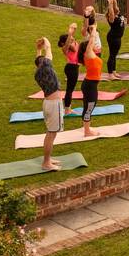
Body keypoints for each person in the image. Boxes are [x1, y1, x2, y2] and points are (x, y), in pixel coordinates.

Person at [34, 37, 62, 171]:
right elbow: (49, 51)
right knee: (51, 134)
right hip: (53, 104)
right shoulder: (46, 67)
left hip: (48, 102)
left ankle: (48, 159)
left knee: (51, 133)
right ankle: (46, 163)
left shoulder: (38, 72)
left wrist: (38, 49)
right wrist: (46, 42)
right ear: (44, 63)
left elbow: (39, 59)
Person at [80, 21, 103, 138]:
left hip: (89, 84)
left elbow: (93, 41)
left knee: (88, 106)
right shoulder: (88, 54)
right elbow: (92, 39)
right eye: (90, 44)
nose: (93, 44)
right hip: (90, 85)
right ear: (88, 48)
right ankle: (87, 132)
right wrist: (94, 29)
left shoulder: (91, 55)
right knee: (89, 107)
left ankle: (87, 128)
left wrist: (94, 29)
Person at [58, 22, 81, 116]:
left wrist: (73, 29)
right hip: (71, 68)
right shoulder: (65, 48)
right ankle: (67, 110)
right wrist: (70, 32)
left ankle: (68, 108)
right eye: (69, 38)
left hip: (74, 67)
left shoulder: (75, 43)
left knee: (70, 89)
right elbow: (68, 42)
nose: (71, 38)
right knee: (69, 90)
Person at [105, 0, 126, 80]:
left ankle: (113, 71)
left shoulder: (118, 14)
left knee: (114, 55)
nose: (117, 8)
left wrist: (114, 0)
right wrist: (110, 3)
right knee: (112, 55)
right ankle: (110, 74)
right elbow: (111, 13)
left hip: (118, 37)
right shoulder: (112, 17)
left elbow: (116, 7)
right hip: (113, 38)